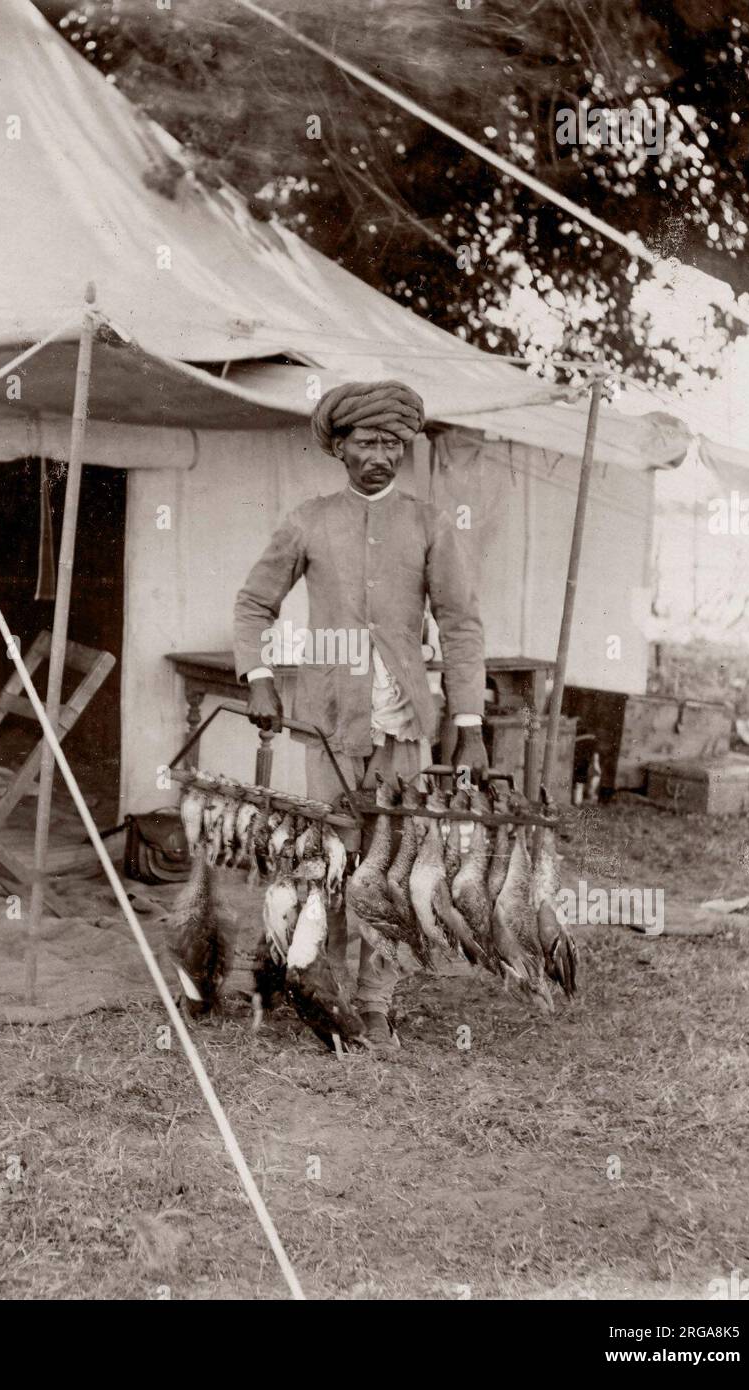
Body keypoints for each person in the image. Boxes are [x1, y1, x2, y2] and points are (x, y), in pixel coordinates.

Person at [233, 379, 486, 1047]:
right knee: (332, 862)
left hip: (404, 728)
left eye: (395, 444)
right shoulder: (307, 521)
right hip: (327, 724)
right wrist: (257, 675)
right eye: (368, 442)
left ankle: (375, 1001)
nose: (382, 455)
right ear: (339, 447)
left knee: (392, 867)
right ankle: (328, 993)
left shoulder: (429, 523)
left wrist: (468, 723)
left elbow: (460, 624)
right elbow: (253, 604)